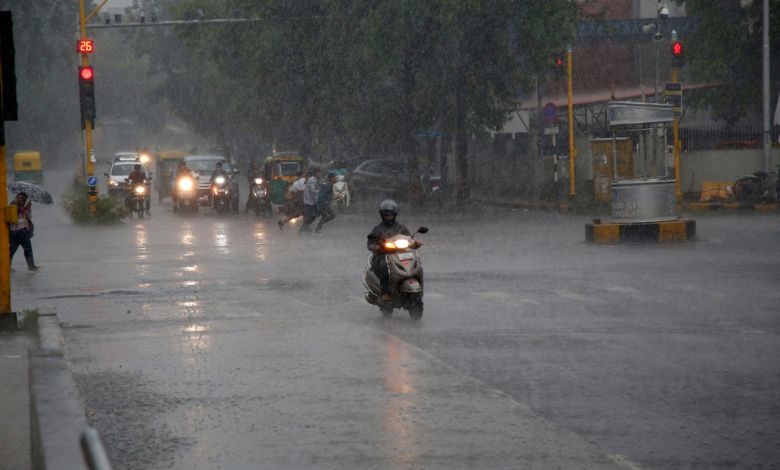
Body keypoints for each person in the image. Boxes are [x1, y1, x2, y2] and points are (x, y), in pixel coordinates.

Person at [366, 199, 420, 301]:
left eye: (390, 215)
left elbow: (409, 238)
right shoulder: (377, 229)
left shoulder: (401, 228)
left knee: (415, 260)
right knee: (384, 265)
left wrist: (415, 243)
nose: (388, 217)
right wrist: (377, 247)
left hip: (400, 254)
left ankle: (416, 282)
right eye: (386, 215)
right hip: (383, 255)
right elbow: (370, 244)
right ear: (382, 215)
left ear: (394, 215)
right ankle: (385, 291)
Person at [9, 192, 38, 271]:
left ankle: (7, 267)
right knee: (28, 250)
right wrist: (28, 207)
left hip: (13, 232)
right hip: (23, 232)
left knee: (11, 250)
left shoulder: (12, 205)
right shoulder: (23, 208)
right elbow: (29, 216)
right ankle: (31, 267)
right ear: (24, 201)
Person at [299, 168, 321, 234]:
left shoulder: (315, 179)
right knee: (309, 216)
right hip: (308, 201)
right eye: (319, 173)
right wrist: (320, 191)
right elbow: (312, 190)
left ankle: (305, 228)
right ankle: (302, 229)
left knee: (313, 215)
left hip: (311, 201)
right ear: (316, 173)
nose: (320, 175)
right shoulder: (312, 180)